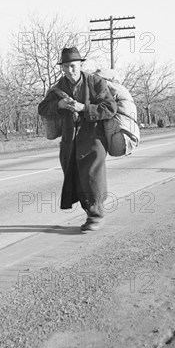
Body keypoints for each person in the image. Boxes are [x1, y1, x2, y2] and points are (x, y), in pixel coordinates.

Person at [38, 47, 117, 232]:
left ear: (80, 65)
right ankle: (89, 213)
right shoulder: (58, 88)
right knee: (75, 178)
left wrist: (84, 108)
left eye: (72, 66)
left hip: (93, 138)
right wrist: (59, 104)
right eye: (65, 67)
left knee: (92, 177)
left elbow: (110, 107)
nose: (69, 70)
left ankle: (96, 215)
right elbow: (42, 108)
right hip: (69, 139)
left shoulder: (95, 83)